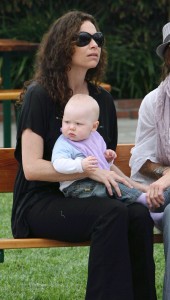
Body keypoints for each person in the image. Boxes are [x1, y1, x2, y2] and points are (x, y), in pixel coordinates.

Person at [12, 10, 157, 300]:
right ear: (63, 45)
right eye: (84, 38)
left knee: (139, 214)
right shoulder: (39, 96)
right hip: (40, 202)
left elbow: (105, 164)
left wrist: (135, 185)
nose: (94, 44)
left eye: (97, 38)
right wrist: (86, 170)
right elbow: (31, 168)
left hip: (90, 196)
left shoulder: (101, 100)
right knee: (112, 213)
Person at [51, 93, 164, 226]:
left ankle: (147, 210)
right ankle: (143, 200)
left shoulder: (94, 137)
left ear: (93, 127)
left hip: (97, 181)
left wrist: (107, 157)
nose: (71, 127)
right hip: (77, 187)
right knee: (112, 186)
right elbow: (58, 164)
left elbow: (100, 160)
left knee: (115, 185)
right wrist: (80, 165)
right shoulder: (65, 143)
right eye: (66, 122)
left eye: (78, 123)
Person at [130, 22, 170, 300]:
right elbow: (141, 160)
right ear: (167, 58)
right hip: (162, 196)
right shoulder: (154, 102)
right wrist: (165, 175)